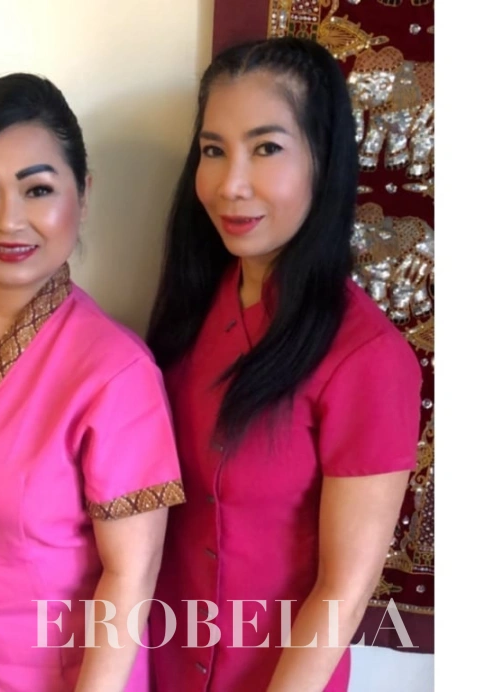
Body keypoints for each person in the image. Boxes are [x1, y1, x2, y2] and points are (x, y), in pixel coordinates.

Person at [147, 37, 421, 692]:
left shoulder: (367, 359)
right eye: (214, 151)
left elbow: (342, 591)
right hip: (155, 667)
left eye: (266, 148)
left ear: (323, 159)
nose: (229, 185)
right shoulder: (189, 315)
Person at [0, 73, 184, 692]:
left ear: (83, 194)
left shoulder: (116, 373)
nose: (8, 220)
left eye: (37, 189)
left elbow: (131, 579)